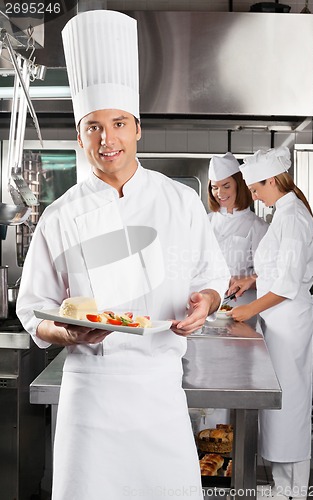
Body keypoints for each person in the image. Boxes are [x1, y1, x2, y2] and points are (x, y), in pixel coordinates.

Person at [16, 11, 230, 500]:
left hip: (160, 391)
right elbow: (33, 309)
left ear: (137, 129)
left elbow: (212, 275)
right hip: (91, 393)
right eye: (92, 127)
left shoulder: (178, 201)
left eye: (117, 124)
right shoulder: (60, 215)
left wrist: (208, 300)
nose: (106, 139)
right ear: (79, 136)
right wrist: (63, 331)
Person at [227, 146, 313, 499]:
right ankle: (283, 485)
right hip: (279, 321)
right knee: (279, 400)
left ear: (273, 180)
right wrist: (250, 281)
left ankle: (293, 490)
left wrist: (247, 312)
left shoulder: (293, 217)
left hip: (290, 323)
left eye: (255, 189)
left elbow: (286, 284)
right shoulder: (283, 213)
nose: (254, 196)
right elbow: (279, 270)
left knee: (290, 403)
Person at [208, 152, 268, 307]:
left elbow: (268, 275)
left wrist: (245, 280)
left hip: (243, 305)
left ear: (239, 185)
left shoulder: (258, 227)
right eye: (215, 187)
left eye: (226, 186)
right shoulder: (205, 221)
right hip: (207, 303)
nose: (220, 193)